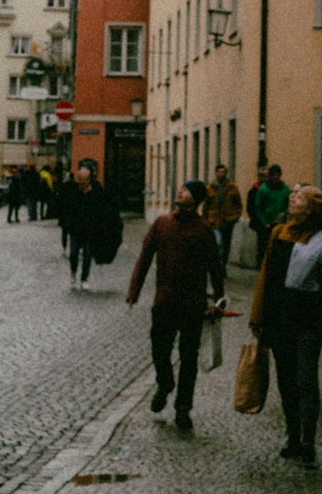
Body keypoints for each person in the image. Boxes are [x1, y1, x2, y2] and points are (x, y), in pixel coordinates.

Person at [249, 184, 322, 469]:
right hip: (279, 317)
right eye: (293, 194)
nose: (293, 197)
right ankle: (292, 436)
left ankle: (308, 442)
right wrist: (257, 316)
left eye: (300, 196)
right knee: (286, 381)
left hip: (308, 319)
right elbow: (266, 277)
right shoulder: (277, 232)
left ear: (311, 209)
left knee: (306, 380)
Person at [126, 180, 225, 433]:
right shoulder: (161, 224)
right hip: (165, 301)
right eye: (180, 188)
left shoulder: (204, 230)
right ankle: (165, 382)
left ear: (196, 200)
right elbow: (145, 257)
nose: (180, 191)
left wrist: (219, 302)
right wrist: (134, 290)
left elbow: (215, 268)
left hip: (193, 305)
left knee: (189, 358)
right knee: (159, 349)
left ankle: (183, 408)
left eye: (187, 190)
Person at [67, 165, 114, 290]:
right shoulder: (74, 192)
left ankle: (84, 279)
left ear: (88, 180)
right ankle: (73, 274)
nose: (81, 185)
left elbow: (103, 209)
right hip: (76, 229)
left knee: (87, 255)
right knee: (73, 254)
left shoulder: (96, 191)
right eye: (79, 182)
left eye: (83, 182)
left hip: (90, 229)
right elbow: (68, 209)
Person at [202, 163, 243, 270]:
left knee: (226, 245)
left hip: (228, 221)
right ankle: (216, 265)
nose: (222, 174)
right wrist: (204, 219)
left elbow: (238, 204)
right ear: (216, 173)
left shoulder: (232, 187)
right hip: (214, 221)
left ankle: (222, 265)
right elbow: (206, 205)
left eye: (224, 172)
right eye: (219, 172)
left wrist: (236, 217)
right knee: (217, 243)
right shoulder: (210, 188)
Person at [252, 163, 289, 264]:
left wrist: (283, 218)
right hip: (266, 224)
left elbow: (286, 206)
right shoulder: (263, 189)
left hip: (280, 223)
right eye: (274, 175)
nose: (276, 177)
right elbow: (259, 208)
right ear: (270, 176)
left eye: (278, 175)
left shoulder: (285, 189)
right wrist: (265, 222)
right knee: (264, 248)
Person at [57, 169, 79, 253]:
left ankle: (64, 248)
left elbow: (59, 199)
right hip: (74, 212)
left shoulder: (63, 186)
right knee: (74, 231)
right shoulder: (77, 186)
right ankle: (75, 246)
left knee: (64, 232)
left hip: (65, 212)